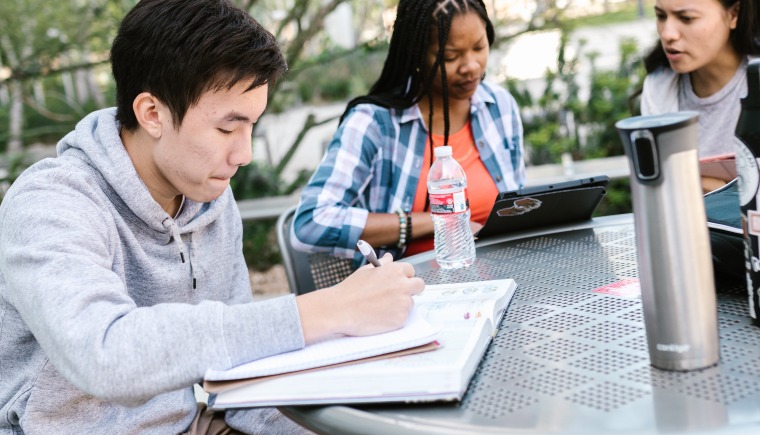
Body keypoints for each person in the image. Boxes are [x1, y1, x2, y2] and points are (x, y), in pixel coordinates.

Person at [0, 0, 424, 433]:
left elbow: (239, 372)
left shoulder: (207, 194)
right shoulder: (51, 202)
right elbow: (105, 355)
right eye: (226, 128)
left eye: (252, 126)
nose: (244, 154)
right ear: (152, 114)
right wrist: (327, 311)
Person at [292, 0, 526, 264]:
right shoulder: (373, 124)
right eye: (450, 56)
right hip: (410, 291)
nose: (471, 65)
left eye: (479, 47)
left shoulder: (499, 107)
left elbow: (517, 205)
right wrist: (441, 219)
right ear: (417, 54)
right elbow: (311, 223)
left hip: (504, 275)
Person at [639, 0, 760, 190]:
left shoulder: (756, 77)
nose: (667, 34)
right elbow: (660, 187)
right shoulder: (658, 90)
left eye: (686, 18)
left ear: (733, 14)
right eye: (661, 16)